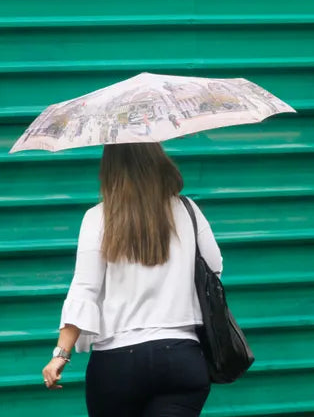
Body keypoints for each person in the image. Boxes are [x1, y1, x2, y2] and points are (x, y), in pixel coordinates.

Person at [41, 142, 223, 416]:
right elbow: (215, 268)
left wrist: (60, 355)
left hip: (116, 365)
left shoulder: (97, 218)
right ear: (158, 161)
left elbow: (84, 290)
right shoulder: (187, 210)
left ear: (110, 169)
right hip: (181, 357)